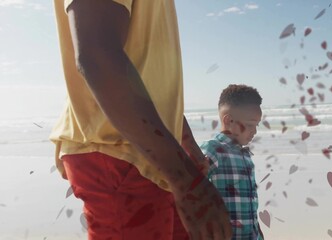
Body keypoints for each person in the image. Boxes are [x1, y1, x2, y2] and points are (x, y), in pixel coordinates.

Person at [50, 0, 232, 239]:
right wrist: (185, 180)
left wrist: (188, 148)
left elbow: (153, 86)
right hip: (118, 149)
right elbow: (97, 56)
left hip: (156, 152)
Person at [200, 84, 265, 240]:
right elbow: (191, 189)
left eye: (256, 125)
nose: (254, 131)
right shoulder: (213, 149)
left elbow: (249, 203)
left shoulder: (245, 154)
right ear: (229, 120)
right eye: (250, 125)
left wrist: (258, 231)